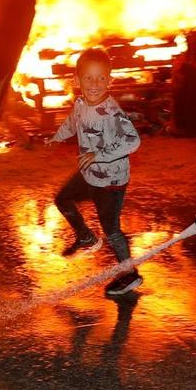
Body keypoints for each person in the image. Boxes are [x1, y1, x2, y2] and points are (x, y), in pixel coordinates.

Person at [49, 48, 145, 297]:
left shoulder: (112, 113)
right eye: (89, 78)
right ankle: (86, 237)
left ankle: (129, 275)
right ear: (77, 80)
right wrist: (57, 137)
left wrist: (99, 155)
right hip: (90, 174)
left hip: (111, 181)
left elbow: (132, 141)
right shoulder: (81, 103)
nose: (95, 84)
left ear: (110, 81)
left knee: (112, 230)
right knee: (62, 199)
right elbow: (72, 121)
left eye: (101, 78)